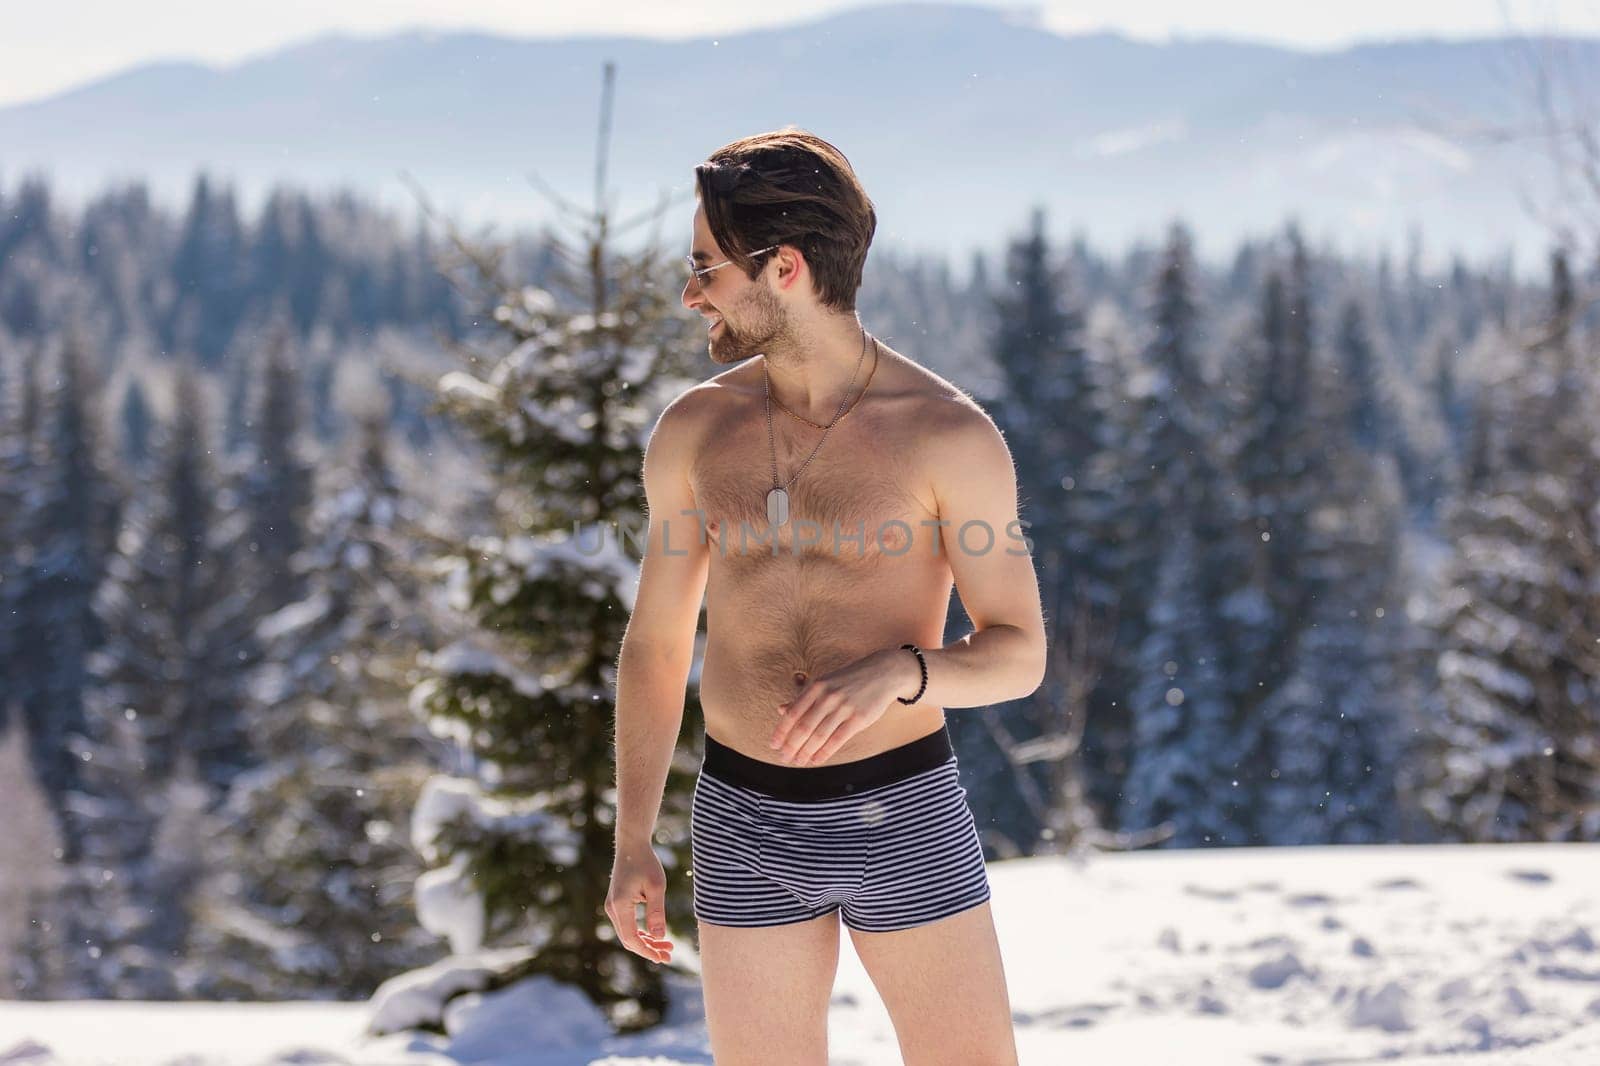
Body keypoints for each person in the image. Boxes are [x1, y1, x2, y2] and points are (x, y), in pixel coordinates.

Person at [606, 127, 1046, 1066]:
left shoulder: (945, 437)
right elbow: (654, 646)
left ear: (787, 268)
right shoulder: (695, 431)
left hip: (903, 805)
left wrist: (900, 673)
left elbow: (1018, 652)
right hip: (741, 813)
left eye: (707, 269)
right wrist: (633, 836)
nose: (691, 294)